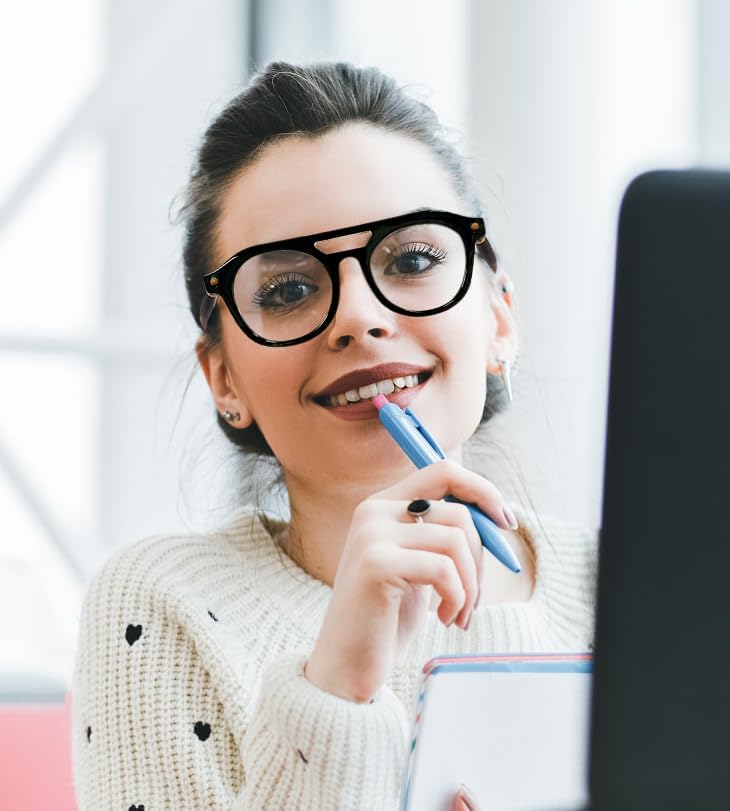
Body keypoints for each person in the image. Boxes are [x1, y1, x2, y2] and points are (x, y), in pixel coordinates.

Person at [70, 61, 597, 810]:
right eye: (288, 289)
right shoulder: (165, 605)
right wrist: (339, 686)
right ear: (223, 377)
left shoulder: (631, 586)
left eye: (413, 259)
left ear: (498, 320)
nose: (357, 315)